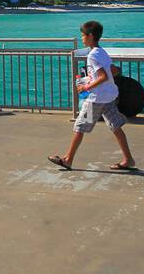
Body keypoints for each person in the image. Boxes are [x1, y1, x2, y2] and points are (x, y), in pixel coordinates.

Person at [48, 20, 137, 172]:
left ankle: (68, 160)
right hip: (109, 97)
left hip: (95, 100)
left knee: (80, 126)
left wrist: (86, 86)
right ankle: (128, 159)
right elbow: (113, 71)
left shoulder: (92, 56)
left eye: (83, 35)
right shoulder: (102, 52)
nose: (82, 38)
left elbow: (103, 76)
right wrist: (94, 77)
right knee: (116, 126)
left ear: (90, 36)